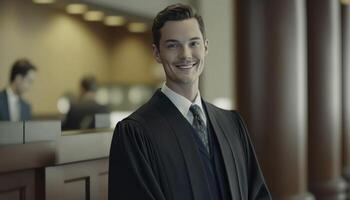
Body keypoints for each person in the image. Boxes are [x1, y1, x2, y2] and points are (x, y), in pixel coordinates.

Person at [108, 4, 271, 200]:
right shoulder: (135, 133)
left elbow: (258, 194)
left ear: (206, 47)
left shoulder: (232, 124)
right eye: (173, 45)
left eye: (194, 43)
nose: (185, 55)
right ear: (157, 53)